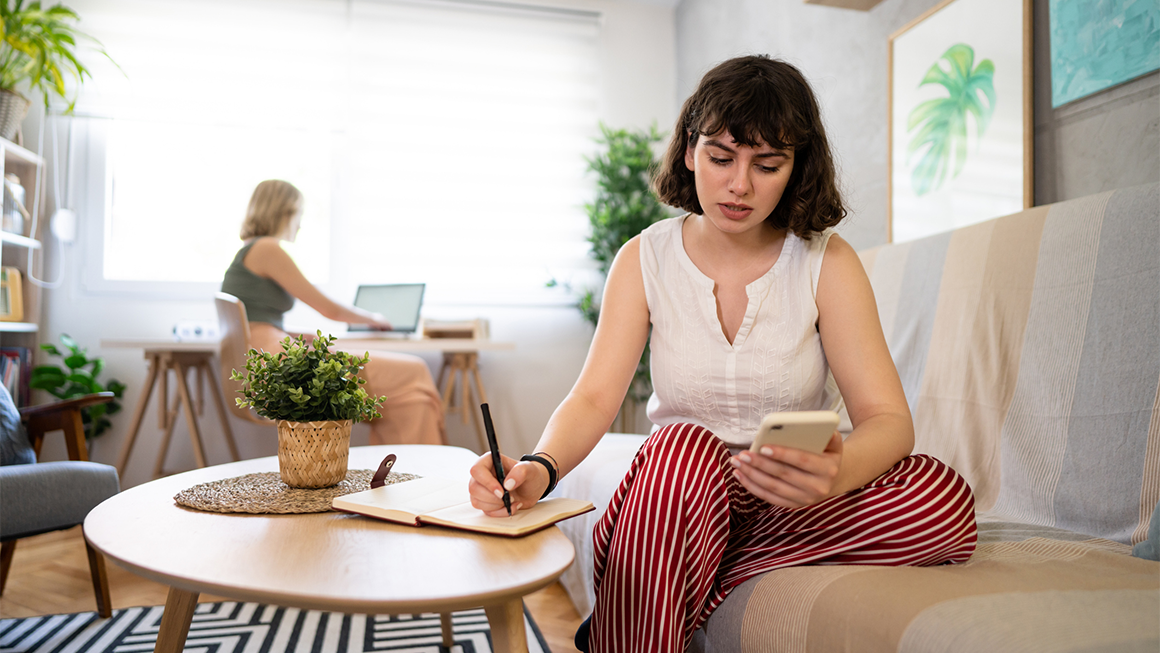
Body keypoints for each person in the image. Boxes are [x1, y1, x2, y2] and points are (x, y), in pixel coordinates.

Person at [467, 56, 978, 651]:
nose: (740, 186)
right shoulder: (644, 258)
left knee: (943, 501)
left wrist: (836, 471)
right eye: (721, 158)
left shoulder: (826, 262)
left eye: (767, 165)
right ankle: (662, 565)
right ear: (689, 152)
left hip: (790, 501)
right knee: (684, 444)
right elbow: (594, 396)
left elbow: (889, 421)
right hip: (680, 491)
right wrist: (540, 467)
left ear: (795, 169)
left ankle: (689, 569)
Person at [221, 179, 445, 445]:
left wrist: (304, 338)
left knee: (412, 400)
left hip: (272, 363)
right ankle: (422, 473)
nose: (300, 224)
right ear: (284, 212)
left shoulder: (248, 251)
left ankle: (402, 475)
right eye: (299, 215)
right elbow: (328, 308)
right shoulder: (267, 248)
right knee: (415, 372)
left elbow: (257, 324)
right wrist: (373, 318)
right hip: (283, 369)